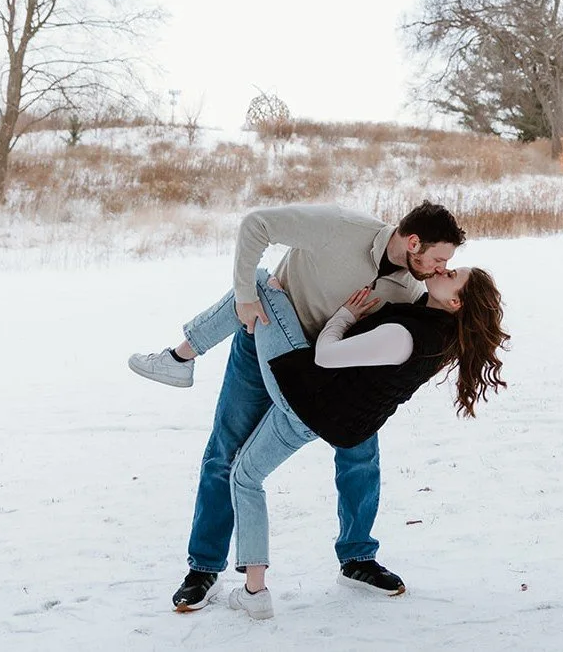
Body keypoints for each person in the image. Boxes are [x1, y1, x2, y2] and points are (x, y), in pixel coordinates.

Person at [128, 201, 465, 610]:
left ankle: (358, 557)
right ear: (414, 242)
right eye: (438, 258)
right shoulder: (341, 228)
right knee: (226, 451)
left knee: (360, 455)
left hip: (328, 379)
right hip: (264, 345)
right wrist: (246, 296)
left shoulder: (412, 290)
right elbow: (257, 224)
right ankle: (204, 567)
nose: (439, 268)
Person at [155, 263, 509, 619]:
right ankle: (225, 576)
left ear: (456, 304)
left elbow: (331, 356)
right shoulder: (431, 322)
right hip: (315, 404)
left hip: (304, 386)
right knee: (236, 468)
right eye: (444, 263)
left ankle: (181, 355)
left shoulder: (413, 329)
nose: (442, 268)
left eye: (450, 273)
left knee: (260, 282)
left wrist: (344, 315)